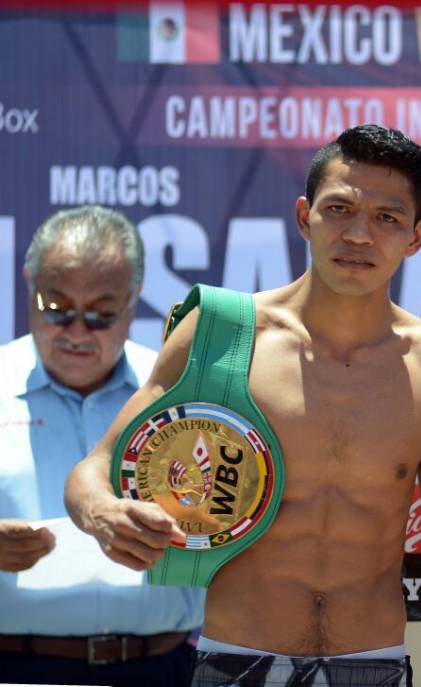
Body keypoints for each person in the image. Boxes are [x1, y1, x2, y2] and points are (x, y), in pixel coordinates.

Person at [65, 125, 421, 686]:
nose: (359, 234)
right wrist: (102, 513)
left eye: (387, 218)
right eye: (340, 209)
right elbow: (94, 468)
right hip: (235, 657)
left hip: (372, 663)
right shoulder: (221, 332)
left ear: (417, 236)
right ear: (305, 215)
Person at [0, 206, 204, 686]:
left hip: (162, 667)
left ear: (136, 299)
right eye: (57, 309)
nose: (76, 331)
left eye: (100, 314)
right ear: (29, 283)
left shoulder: (181, 394)